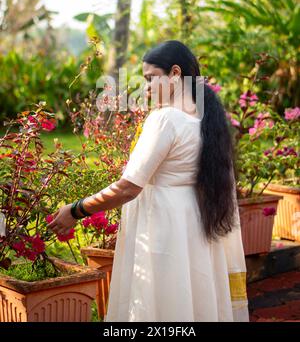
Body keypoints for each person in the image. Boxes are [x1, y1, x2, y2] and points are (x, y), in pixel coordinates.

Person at [48, 40, 249, 322]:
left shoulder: (166, 119)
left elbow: (129, 186)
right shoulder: (205, 118)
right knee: (189, 297)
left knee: (161, 303)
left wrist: (76, 210)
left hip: (164, 224)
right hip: (193, 221)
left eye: (150, 79)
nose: (146, 89)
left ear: (175, 74)